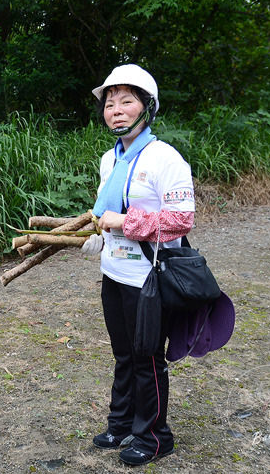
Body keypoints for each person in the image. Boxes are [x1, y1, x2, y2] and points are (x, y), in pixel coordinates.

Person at [79, 64, 195, 466]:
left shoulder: (165, 158)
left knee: (147, 358)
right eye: (110, 103)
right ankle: (122, 423)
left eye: (127, 101)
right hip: (114, 273)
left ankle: (155, 437)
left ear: (148, 107)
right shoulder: (109, 161)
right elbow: (103, 212)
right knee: (123, 354)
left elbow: (181, 219)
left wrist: (126, 223)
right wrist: (98, 232)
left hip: (149, 277)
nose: (116, 109)